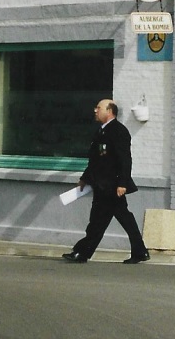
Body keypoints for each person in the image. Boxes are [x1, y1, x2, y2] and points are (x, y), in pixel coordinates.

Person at [62, 99, 149, 264]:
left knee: (98, 221)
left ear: (109, 111)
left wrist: (122, 183)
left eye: (99, 108)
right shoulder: (102, 131)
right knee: (117, 219)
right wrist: (85, 178)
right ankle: (140, 251)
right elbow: (96, 160)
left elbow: (125, 159)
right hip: (102, 185)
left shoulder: (118, 131)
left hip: (112, 186)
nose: (95, 110)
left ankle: (82, 253)